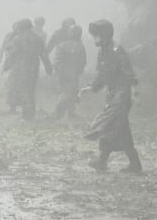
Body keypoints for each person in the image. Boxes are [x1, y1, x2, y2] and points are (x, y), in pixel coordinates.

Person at [81, 19, 142, 172]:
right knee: (118, 128)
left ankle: (103, 158)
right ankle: (132, 163)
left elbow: (128, 74)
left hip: (121, 94)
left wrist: (134, 93)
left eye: (97, 36)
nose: (94, 39)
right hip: (112, 94)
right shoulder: (103, 52)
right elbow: (102, 75)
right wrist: (91, 87)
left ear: (105, 35)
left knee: (110, 124)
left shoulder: (117, 51)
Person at [1, 19, 52, 120]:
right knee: (31, 90)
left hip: (22, 68)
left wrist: (5, 66)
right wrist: (48, 68)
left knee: (24, 91)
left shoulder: (18, 39)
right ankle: (30, 114)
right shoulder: (37, 38)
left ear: (22, 28)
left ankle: (27, 115)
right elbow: (44, 54)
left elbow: (12, 54)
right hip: (34, 68)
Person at [51, 25, 87, 119]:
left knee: (62, 91)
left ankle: (59, 112)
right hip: (73, 73)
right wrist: (78, 71)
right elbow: (82, 62)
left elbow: (56, 61)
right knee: (72, 92)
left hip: (62, 73)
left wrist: (58, 70)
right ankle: (69, 112)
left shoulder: (62, 45)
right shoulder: (80, 46)